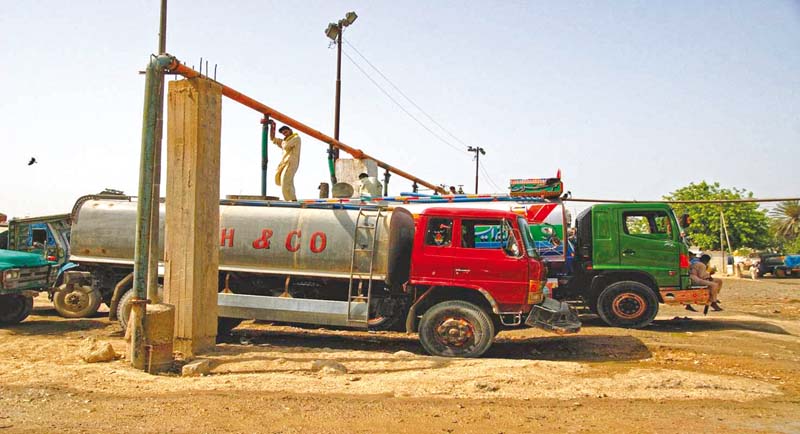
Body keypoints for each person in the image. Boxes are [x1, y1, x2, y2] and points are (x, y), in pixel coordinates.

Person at [268, 122, 301, 201]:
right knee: (287, 182)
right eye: (283, 133)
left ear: (290, 130)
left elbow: (286, 146)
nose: (285, 134)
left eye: (286, 132)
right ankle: (292, 199)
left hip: (291, 163)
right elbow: (273, 139)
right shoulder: (286, 140)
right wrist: (272, 128)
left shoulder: (296, 138)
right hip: (285, 163)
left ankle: (289, 201)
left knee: (285, 182)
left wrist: (281, 141)